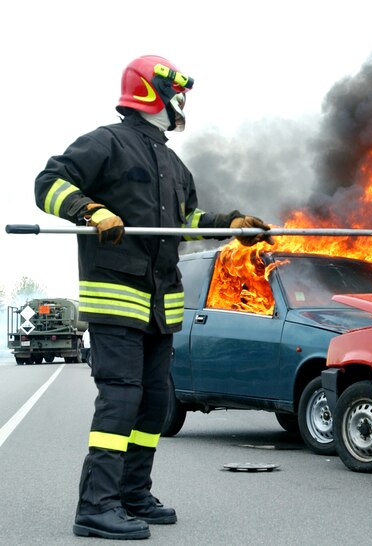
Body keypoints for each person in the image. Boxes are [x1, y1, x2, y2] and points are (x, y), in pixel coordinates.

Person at [34, 55, 272, 540]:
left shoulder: (174, 164)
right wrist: (89, 210)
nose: (180, 102)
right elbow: (48, 184)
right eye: (173, 92)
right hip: (117, 300)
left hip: (160, 306)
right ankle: (95, 506)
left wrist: (229, 225)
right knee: (120, 401)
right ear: (148, 93)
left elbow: (184, 221)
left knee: (153, 403)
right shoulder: (107, 142)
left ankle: (133, 494)